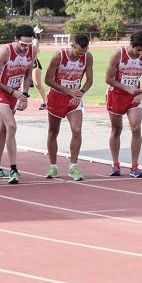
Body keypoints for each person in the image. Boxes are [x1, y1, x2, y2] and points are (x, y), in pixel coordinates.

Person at [0, 25, 35, 184]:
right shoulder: (6, 51)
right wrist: (12, 91)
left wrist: (25, 95)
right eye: (22, 44)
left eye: (28, 45)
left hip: (14, 92)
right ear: (16, 39)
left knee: (3, 129)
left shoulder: (32, 51)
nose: (25, 48)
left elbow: (28, 75)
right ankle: (14, 169)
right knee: (11, 126)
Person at [43, 34, 94, 181]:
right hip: (57, 97)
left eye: (83, 53)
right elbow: (48, 80)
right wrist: (68, 91)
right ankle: (53, 166)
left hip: (74, 99)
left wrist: (80, 93)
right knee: (53, 132)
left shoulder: (87, 57)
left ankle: (73, 166)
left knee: (77, 130)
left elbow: (89, 80)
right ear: (72, 46)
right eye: (78, 52)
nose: (80, 56)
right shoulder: (59, 56)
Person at [105, 31, 142, 177]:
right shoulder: (118, 54)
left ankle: (134, 166)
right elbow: (108, 79)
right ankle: (115, 164)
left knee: (136, 127)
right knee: (116, 129)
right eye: (138, 50)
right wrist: (127, 88)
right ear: (130, 44)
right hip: (116, 95)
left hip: (134, 97)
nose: (140, 53)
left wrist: (141, 92)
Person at [30, 24, 49, 110]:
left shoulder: (35, 41)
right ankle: (20, 101)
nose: (40, 35)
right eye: (38, 33)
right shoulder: (30, 40)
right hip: (27, 64)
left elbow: (34, 48)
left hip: (34, 64)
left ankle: (44, 102)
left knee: (38, 84)